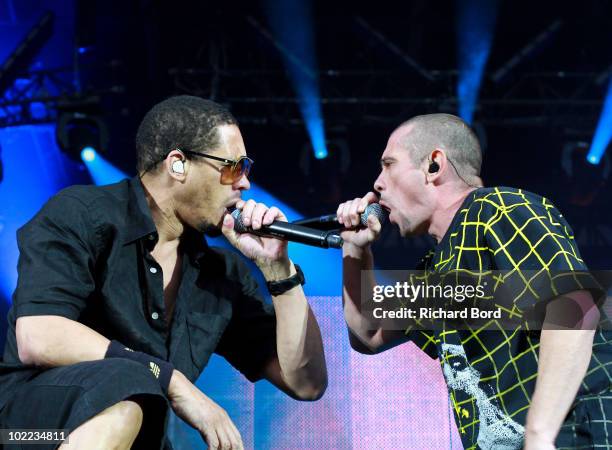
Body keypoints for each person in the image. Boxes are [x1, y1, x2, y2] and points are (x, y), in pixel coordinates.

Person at [0, 95, 327, 450]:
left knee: (138, 402)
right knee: (127, 389)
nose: (245, 183)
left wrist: (278, 269)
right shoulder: (82, 214)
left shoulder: (222, 275)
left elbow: (306, 383)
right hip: (31, 433)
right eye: (234, 167)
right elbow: (39, 336)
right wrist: (173, 382)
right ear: (178, 165)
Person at [337, 113, 610, 450]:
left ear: (434, 165)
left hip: (579, 435)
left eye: (389, 164)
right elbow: (369, 333)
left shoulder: (498, 209)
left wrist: (539, 436)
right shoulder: (436, 271)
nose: (377, 183)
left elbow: (575, 307)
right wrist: (353, 248)